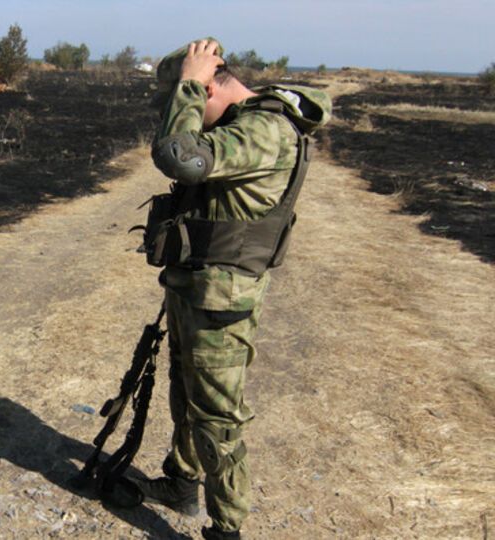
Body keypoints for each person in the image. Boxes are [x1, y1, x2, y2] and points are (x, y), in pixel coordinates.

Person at [129, 39, 331, 539]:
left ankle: (227, 528)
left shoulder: (265, 130)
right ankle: (180, 483)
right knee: (185, 389)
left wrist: (190, 83)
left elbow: (180, 156)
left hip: (223, 297)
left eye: (195, 96)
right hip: (197, 284)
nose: (189, 110)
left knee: (217, 416)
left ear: (214, 83)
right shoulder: (244, 124)